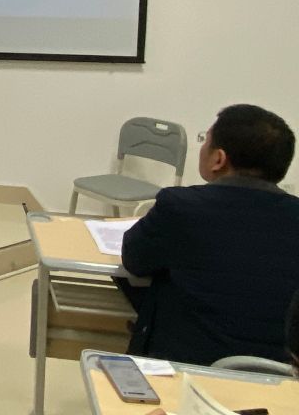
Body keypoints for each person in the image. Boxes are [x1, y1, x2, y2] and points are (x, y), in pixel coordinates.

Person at [121, 104, 299, 366]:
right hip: (280, 375)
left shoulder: (181, 206)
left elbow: (134, 259)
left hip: (186, 368)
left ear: (219, 159)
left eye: (205, 140)